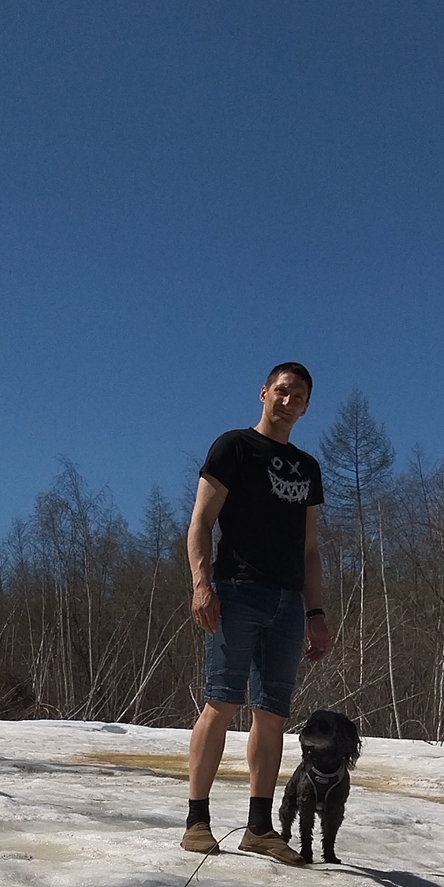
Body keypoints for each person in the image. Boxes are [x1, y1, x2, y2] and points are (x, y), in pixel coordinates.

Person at [183, 363, 333, 859]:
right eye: (282, 391)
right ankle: (197, 820)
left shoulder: (307, 468)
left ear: (307, 407)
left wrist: (316, 612)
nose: (289, 401)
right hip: (237, 590)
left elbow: (310, 549)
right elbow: (201, 522)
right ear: (264, 392)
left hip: (289, 602)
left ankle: (259, 828)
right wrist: (202, 584)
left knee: (271, 715)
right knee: (222, 702)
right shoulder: (235, 447)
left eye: (299, 396)